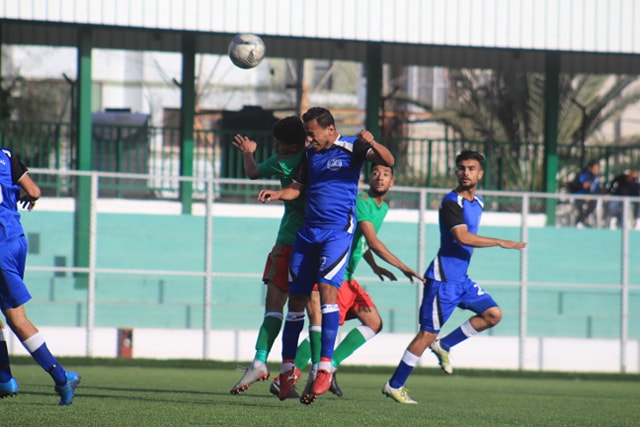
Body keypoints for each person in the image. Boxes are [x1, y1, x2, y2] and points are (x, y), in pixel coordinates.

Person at [258, 107, 395, 402]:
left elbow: (388, 160)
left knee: (327, 292)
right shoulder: (310, 154)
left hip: (336, 233)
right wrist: (278, 194)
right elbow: (297, 188)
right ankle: (287, 371)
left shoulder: (352, 147)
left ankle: (324, 368)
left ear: (330, 129)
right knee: (297, 300)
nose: (308, 139)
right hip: (308, 233)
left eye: (312, 133)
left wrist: (372, 142)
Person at [270, 165, 425, 403]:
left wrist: (374, 266)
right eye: (376, 173)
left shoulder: (382, 208)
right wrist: (402, 266)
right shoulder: (362, 203)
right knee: (323, 329)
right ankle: (288, 378)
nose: (380, 177)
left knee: (373, 322)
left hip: (349, 278)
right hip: (338, 275)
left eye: (385, 174)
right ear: (369, 177)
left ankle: (329, 365)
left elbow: (360, 241)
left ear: (392, 182)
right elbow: (371, 240)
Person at [382, 150, 526, 404]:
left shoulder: (478, 202)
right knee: (426, 334)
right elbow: (462, 237)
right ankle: (394, 385)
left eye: (471, 168)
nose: (465, 173)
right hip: (443, 280)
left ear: (480, 174)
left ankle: (445, 345)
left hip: (462, 279)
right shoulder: (451, 202)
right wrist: (499, 241)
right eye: (462, 168)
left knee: (493, 314)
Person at [229, 116, 308, 395]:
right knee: (316, 314)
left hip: (291, 242)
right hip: (318, 245)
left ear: (292, 146)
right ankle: (293, 374)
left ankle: (261, 361)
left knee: (275, 304)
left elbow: (252, 172)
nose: (276, 148)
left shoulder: (284, 162)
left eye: (279, 144)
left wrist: (248, 152)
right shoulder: (316, 158)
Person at [0, 148, 80, 405]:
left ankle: (58, 376)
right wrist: (17, 197)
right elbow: (34, 192)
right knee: (12, 315)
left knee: (16, 318)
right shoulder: (6, 156)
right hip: (15, 240)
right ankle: (6, 378)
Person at [570, 159, 602, 228]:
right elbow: (573, 185)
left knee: (592, 206)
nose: (596, 170)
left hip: (591, 199)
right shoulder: (582, 175)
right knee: (581, 207)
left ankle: (581, 221)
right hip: (579, 197)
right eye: (594, 168)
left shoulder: (596, 178)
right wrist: (582, 186)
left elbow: (598, 190)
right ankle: (579, 222)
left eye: (597, 169)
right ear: (590, 168)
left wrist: (591, 196)